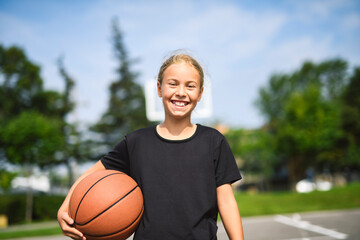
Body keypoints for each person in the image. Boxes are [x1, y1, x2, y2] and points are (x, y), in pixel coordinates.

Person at [57, 53, 244, 240]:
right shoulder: (136, 142)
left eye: (190, 86)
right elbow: (92, 173)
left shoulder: (213, 141)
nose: (181, 92)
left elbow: (226, 200)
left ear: (200, 93)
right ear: (159, 89)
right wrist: (65, 207)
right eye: (173, 84)